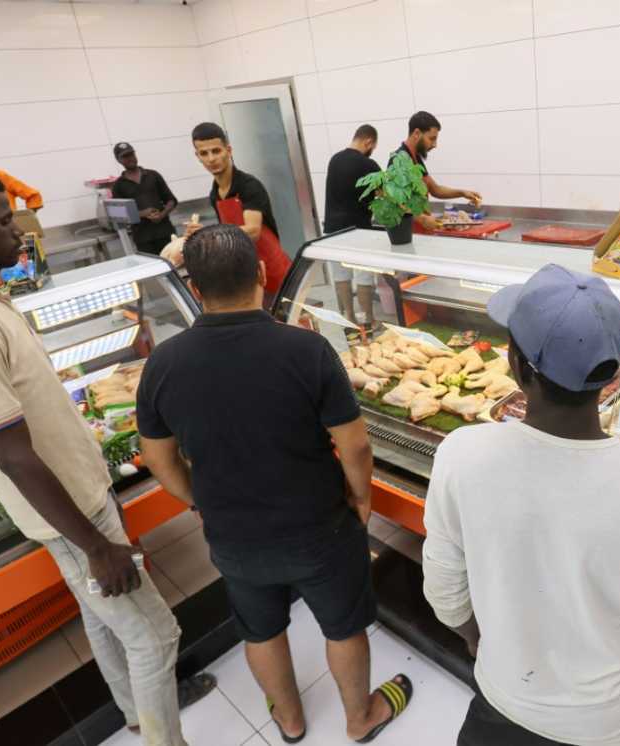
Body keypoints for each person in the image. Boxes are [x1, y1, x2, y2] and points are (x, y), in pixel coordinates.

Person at [0, 165, 214, 746]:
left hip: (78, 496)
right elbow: (14, 456)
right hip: (70, 515)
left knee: (103, 619)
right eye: (3, 221)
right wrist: (96, 545)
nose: (19, 231)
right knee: (156, 636)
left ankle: (132, 712)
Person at [138, 224, 414, 744]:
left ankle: (288, 719)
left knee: (260, 628)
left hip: (234, 534)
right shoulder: (306, 350)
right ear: (262, 273)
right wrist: (361, 498)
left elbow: (158, 458)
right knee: (343, 624)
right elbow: (353, 445)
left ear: (194, 289)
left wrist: (199, 499)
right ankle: (361, 717)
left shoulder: (163, 363)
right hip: (320, 526)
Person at [422, 264, 620, 746]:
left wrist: (476, 639)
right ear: (611, 378)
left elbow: (446, 594)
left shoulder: (461, 454)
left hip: (506, 702)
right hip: (614, 725)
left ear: (518, 366)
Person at [188, 122, 292, 301]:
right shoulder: (215, 194)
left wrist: (207, 234)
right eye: (204, 153)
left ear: (228, 150)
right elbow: (227, 235)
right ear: (197, 156)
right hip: (247, 273)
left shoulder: (248, 186)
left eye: (216, 151)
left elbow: (253, 231)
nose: (211, 159)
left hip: (275, 270)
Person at [324, 124, 381, 330]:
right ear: (369, 142)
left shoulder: (335, 160)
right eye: (373, 146)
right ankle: (368, 320)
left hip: (332, 229)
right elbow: (384, 196)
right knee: (364, 274)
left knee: (341, 276)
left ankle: (349, 318)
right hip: (358, 230)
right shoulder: (369, 165)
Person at [391, 112, 482, 231]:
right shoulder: (399, 160)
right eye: (431, 139)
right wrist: (423, 219)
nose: (435, 145)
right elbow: (396, 202)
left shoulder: (415, 158)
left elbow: (435, 189)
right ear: (417, 133)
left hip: (423, 233)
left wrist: (462, 192)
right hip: (409, 234)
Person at [110, 142, 178, 256]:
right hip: (143, 238)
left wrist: (162, 214)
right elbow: (120, 215)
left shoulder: (153, 175)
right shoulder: (118, 185)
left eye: (131, 154)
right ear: (118, 160)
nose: (130, 158)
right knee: (153, 271)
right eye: (125, 156)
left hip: (166, 232)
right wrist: (142, 214)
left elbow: (171, 200)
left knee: (174, 266)